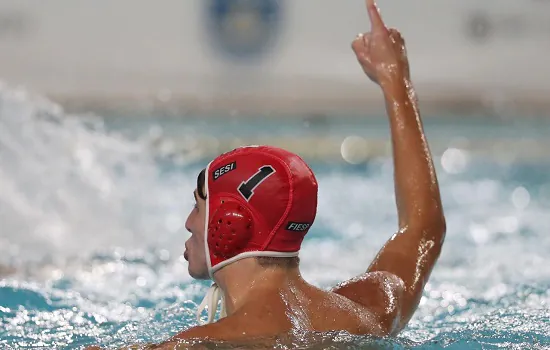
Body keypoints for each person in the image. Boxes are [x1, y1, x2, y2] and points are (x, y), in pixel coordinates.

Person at [88, 0, 445, 348]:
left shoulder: (201, 344)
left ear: (229, 224)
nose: (187, 222)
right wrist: (396, 81)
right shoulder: (367, 313)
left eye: (198, 207)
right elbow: (422, 229)